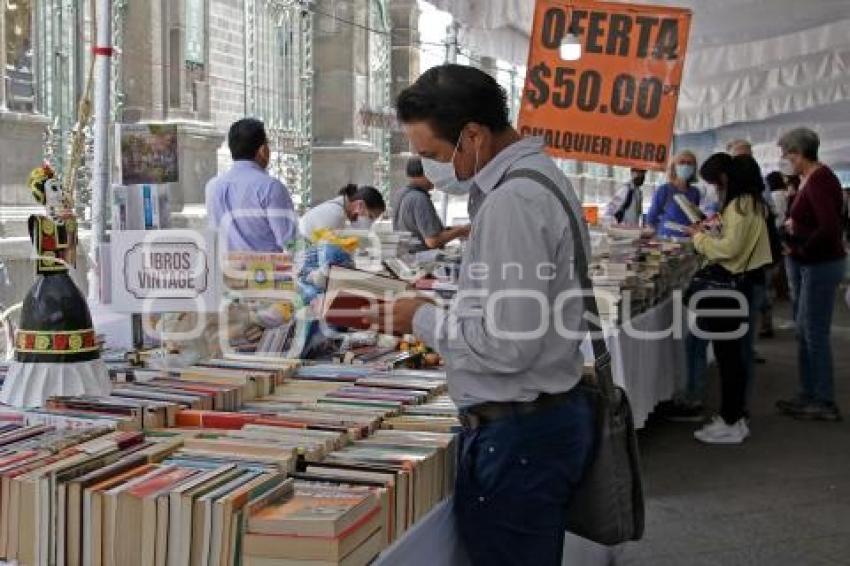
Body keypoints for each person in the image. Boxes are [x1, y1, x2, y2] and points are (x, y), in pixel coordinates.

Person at [373, 64, 595, 566]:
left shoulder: (513, 201)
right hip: (537, 424)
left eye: (432, 154)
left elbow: (507, 343)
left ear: (473, 134)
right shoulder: (533, 180)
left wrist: (421, 318)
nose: (430, 171)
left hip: (520, 436)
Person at [685, 153, 773, 444]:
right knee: (732, 356)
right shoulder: (753, 203)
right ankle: (732, 416)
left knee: (729, 357)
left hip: (728, 288)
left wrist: (699, 238)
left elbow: (729, 250)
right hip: (741, 285)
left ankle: (732, 421)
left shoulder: (741, 205)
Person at [775, 128, 846, 421]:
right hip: (815, 264)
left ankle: (823, 399)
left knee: (813, 332)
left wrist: (801, 249)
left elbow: (830, 227)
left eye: (786, 154)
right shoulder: (813, 179)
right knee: (805, 331)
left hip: (819, 264)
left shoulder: (819, 180)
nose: (784, 159)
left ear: (797, 153)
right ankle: (810, 393)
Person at [206, 118, 297, 251]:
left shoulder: (212, 186)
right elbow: (291, 242)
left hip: (223, 270)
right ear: (262, 150)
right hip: (266, 270)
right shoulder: (270, 187)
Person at [391, 157, 470, 252]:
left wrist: (453, 229)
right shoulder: (419, 198)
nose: (436, 178)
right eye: (433, 174)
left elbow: (421, 229)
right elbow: (432, 241)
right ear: (426, 173)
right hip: (420, 259)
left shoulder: (401, 193)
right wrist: (462, 231)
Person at [646, 150, 701, 238]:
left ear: (694, 168)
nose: (686, 166)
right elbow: (651, 218)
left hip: (689, 240)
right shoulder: (664, 190)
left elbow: (696, 219)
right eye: (682, 162)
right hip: (666, 240)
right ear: (674, 166)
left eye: (689, 163)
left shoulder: (695, 192)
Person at [299, 184, 385, 238]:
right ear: (360, 205)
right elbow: (328, 253)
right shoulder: (336, 214)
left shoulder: (339, 209)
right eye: (370, 216)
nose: (369, 222)